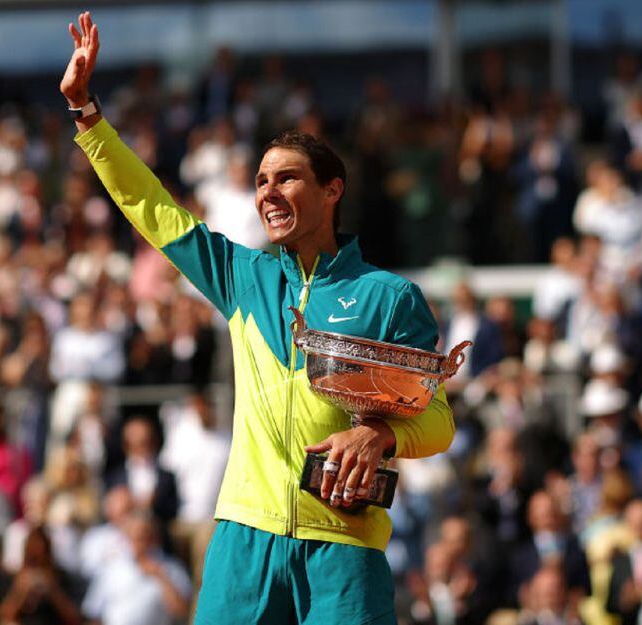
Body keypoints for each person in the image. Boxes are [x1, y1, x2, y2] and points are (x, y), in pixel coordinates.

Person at [60, 12, 455, 624]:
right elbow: (155, 212)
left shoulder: (389, 296)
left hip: (343, 550)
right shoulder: (245, 278)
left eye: (287, 179)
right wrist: (88, 116)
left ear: (332, 190)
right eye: (261, 180)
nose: (267, 193)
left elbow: (437, 420)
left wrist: (379, 435)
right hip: (244, 540)